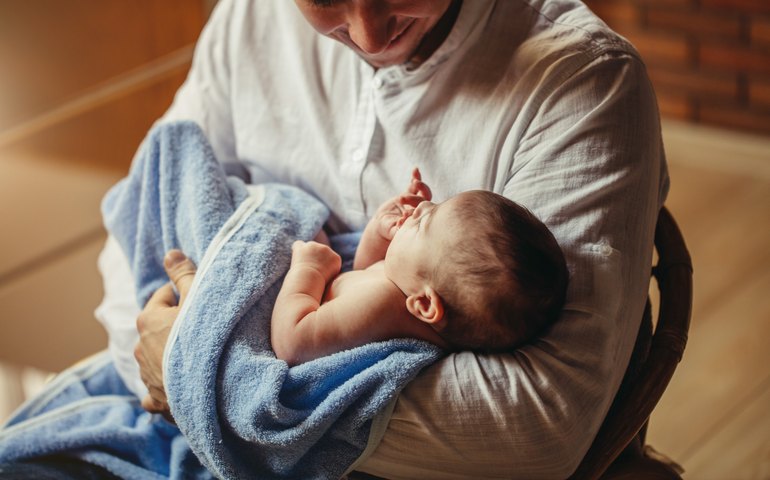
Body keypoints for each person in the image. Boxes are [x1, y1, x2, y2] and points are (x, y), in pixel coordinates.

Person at [7, 0, 668, 477]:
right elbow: (152, 212)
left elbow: (536, 430)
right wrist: (157, 357)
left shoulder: (584, 81)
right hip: (185, 378)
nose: (369, 31)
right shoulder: (250, 16)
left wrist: (203, 379)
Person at [271, 168, 569, 366]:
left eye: (425, 222)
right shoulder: (406, 291)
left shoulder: (382, 305)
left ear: (426, 304)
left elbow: (293, 344)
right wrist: (380, 231)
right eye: (435, 207)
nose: (422, 207)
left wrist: (308, 269)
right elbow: (364, 272)